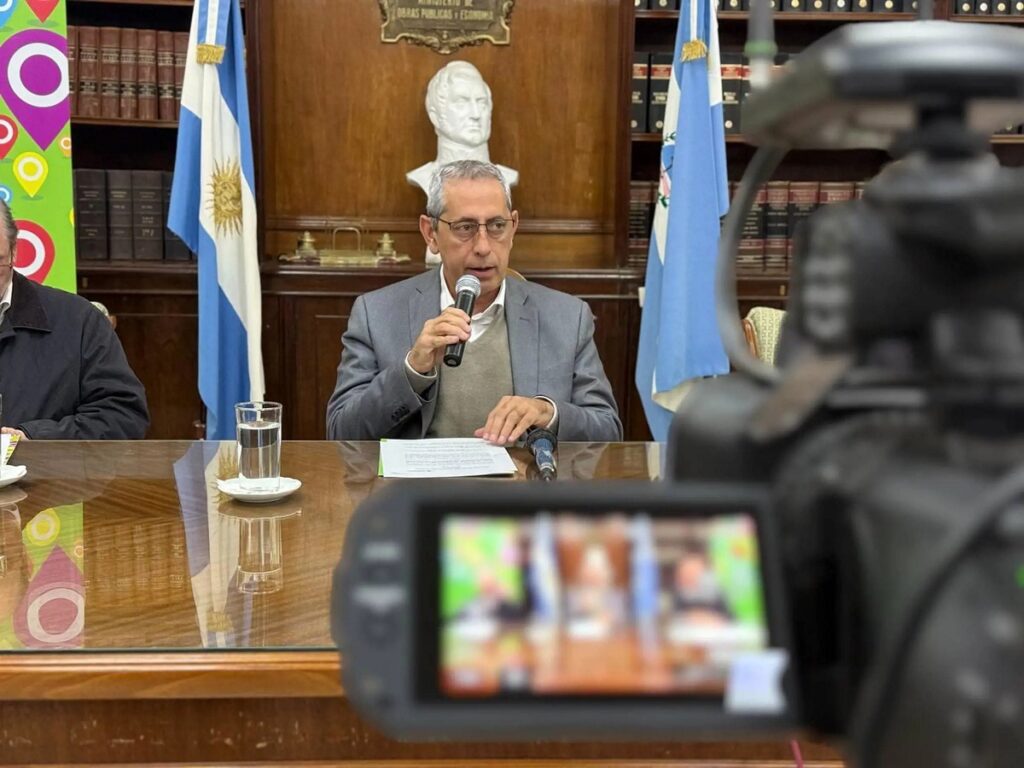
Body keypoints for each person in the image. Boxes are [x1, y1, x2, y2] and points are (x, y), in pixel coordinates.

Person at [326, 160, 622, 444]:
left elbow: (608, 431)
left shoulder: (568, 317)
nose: (483, 247)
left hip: (521, 480)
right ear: (431, 234)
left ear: (513, 228)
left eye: (497, 226)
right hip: (421, 480)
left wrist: (548, 413)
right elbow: (341, 431)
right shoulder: (376, 313)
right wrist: (412, 371)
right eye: (465, 228)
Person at [0, 201, 149, 439]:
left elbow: (122, 416)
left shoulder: (79, 321)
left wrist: (38, 440)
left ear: (14, 251)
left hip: (38, 464)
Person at [407, 62, 518, 266]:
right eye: (462, 103)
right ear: (435, 116)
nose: (476, 114)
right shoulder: (422, 177)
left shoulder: (507, 177)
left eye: (482, 103)